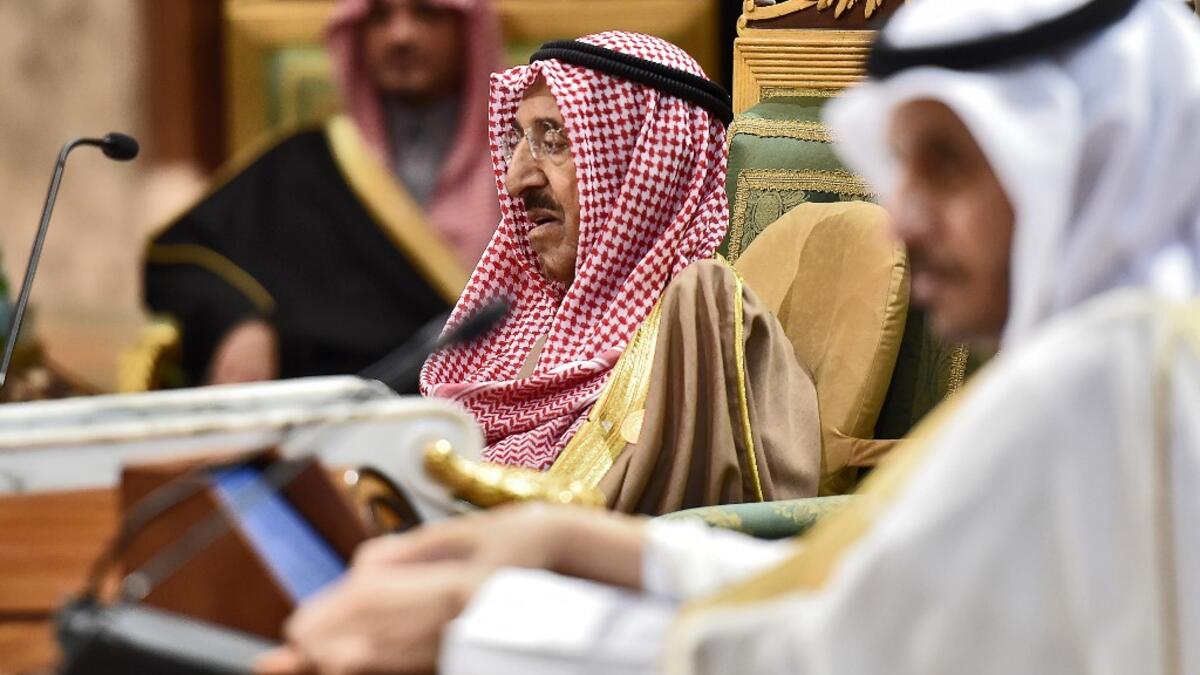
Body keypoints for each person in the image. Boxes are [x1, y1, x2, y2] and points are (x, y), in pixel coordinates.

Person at [254, 0, 1200, 673]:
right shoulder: (1098, 361)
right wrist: (571, 549)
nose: (899, 222)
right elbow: (856, 584)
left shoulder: (1118, 378)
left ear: (1092, 157)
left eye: (946, 165)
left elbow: (843, 650)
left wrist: (475, 633)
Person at [417, 32, 822, 512]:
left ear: (647, 168)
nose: (517, 178)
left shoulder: (698, 326)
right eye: (520, 143)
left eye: (555, 140)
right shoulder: (512, 337)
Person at [143, 0, 501, 386]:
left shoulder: (526, 167)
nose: (401, 36)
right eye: (379, 17)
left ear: (468, 31)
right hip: (313, 419)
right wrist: (240, 321)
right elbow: (178, 259)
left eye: (426, 14)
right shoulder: (304, 163)